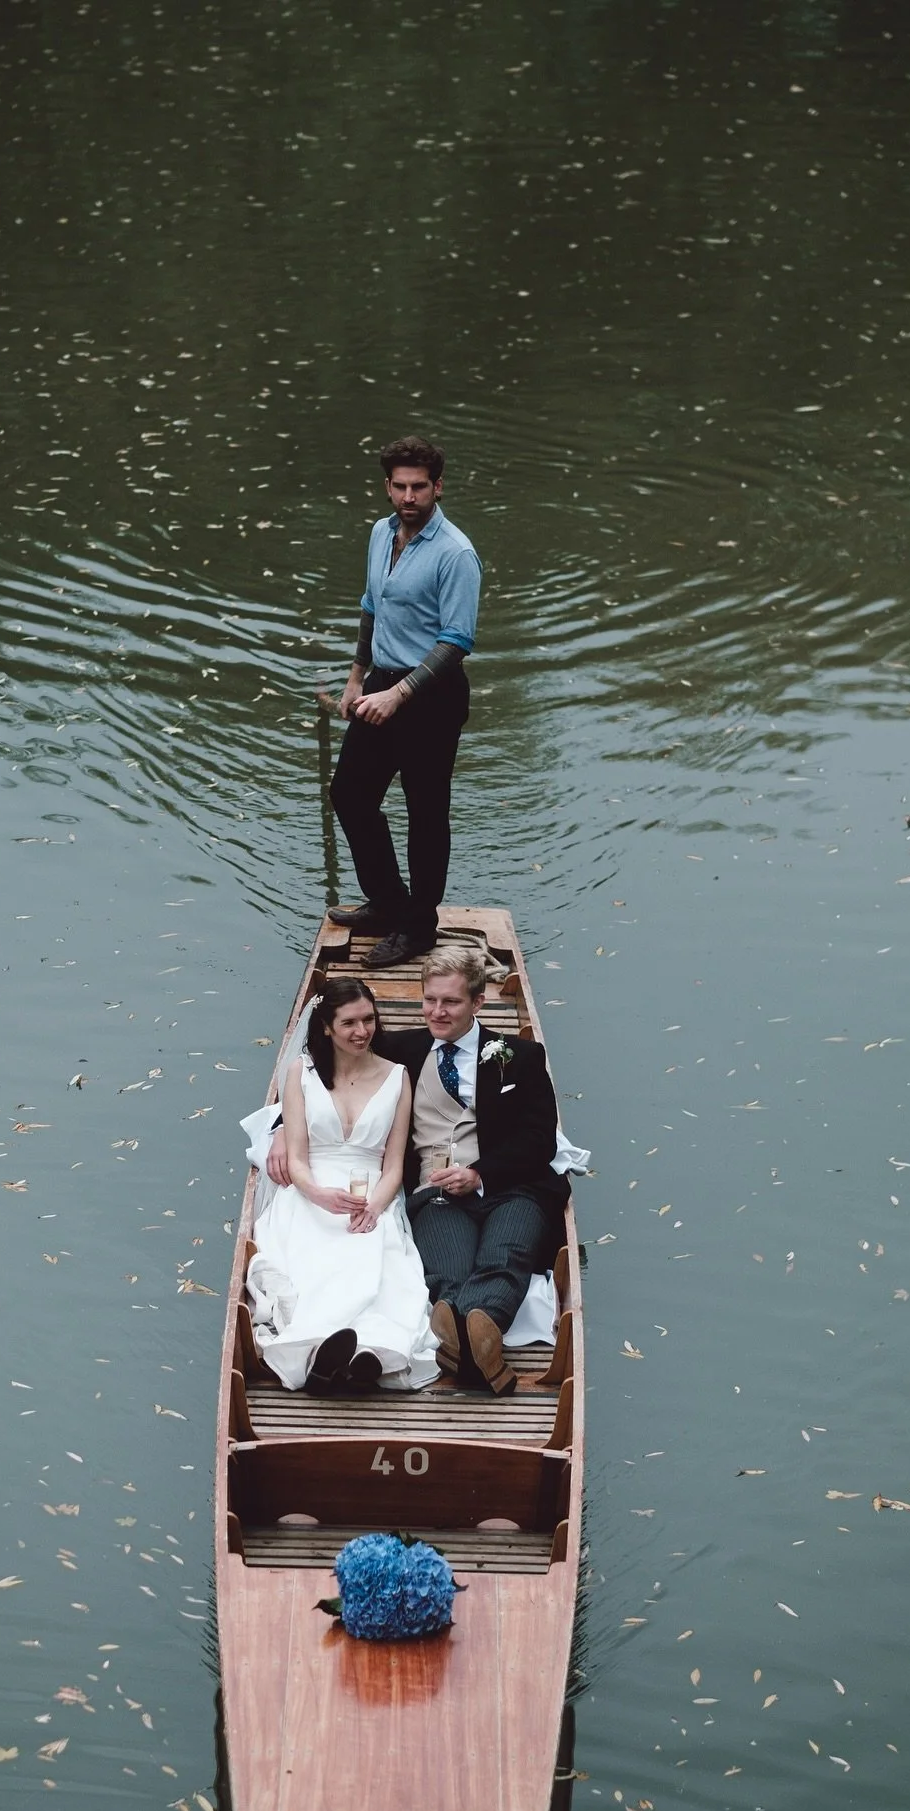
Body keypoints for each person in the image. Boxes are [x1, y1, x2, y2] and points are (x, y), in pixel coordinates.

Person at [266, 949, 569, 1397]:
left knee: (504, 1256)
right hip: (436, 1193)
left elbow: (541, 1138)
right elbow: (331, 1070)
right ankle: (471, 1338)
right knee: (446, 1268)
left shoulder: (519, 1056)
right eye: (430, 1000)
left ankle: (470, 1335)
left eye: (451, 1002)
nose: (437, 1012)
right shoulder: (401, 1048)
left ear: (478, 1003)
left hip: (512, 1189)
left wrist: (481, 1173)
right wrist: (280, 1126)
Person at [327, 436, 481, 970]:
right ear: (387, 486)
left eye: (419, 487)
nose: (409, 496)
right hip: (380, 682)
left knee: (425, 813)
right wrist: (356, 680)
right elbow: (372, 606)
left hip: (431, 696)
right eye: (400, 486)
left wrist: (399, 694)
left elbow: (457, 640)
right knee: (349, 794)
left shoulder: (455, 553)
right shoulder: (380, 533)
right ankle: (388, 903)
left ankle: (418, 927)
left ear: (437, 487)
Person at [247, 977, 439, 1395]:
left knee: (375, 1262)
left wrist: (375, 1207)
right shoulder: (302, 1073)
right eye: (350, 1022)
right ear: (327, 1028)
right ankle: (319, 1355)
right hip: (311, 1192)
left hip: (374, 1194)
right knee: (317, 1263)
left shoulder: (397, 1076)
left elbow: (393, 1164)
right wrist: (316, 1194)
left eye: (369, 1019)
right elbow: (297, 1157)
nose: (362, 1031)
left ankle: (367, 1355)